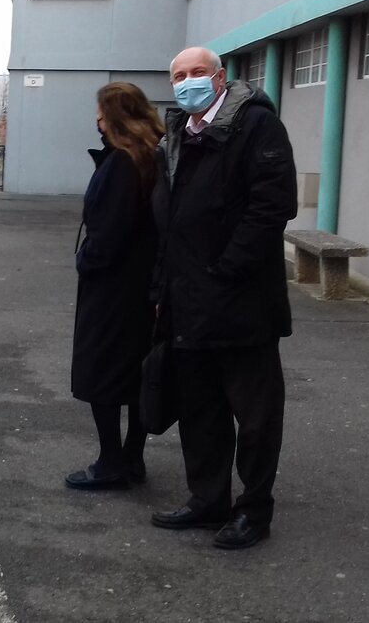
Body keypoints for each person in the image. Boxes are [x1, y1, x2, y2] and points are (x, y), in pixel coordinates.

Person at [150, 47, 297, 550]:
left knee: (255, 415)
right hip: (187, 303)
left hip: (242, 303)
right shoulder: (176, 136)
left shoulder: (256, 127)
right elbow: (168, 222)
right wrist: (161, 288)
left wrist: (228, 270)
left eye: (196, 73)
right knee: (200, 410)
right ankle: (207, 499)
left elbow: (273, 205)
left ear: (220, 78)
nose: (187, 82)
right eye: (178, 76)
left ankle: (253, 511)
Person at [64, 82, 161, 491]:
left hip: (113, 287)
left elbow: (110, 233)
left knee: (101, 370)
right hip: (141, 286)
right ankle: (131, 458)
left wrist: (85, 260)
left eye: (102, 112)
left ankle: (110, 461)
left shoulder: (122, 163)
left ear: (114, 117)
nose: (97, 119)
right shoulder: (150, 157)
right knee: (135, 370)